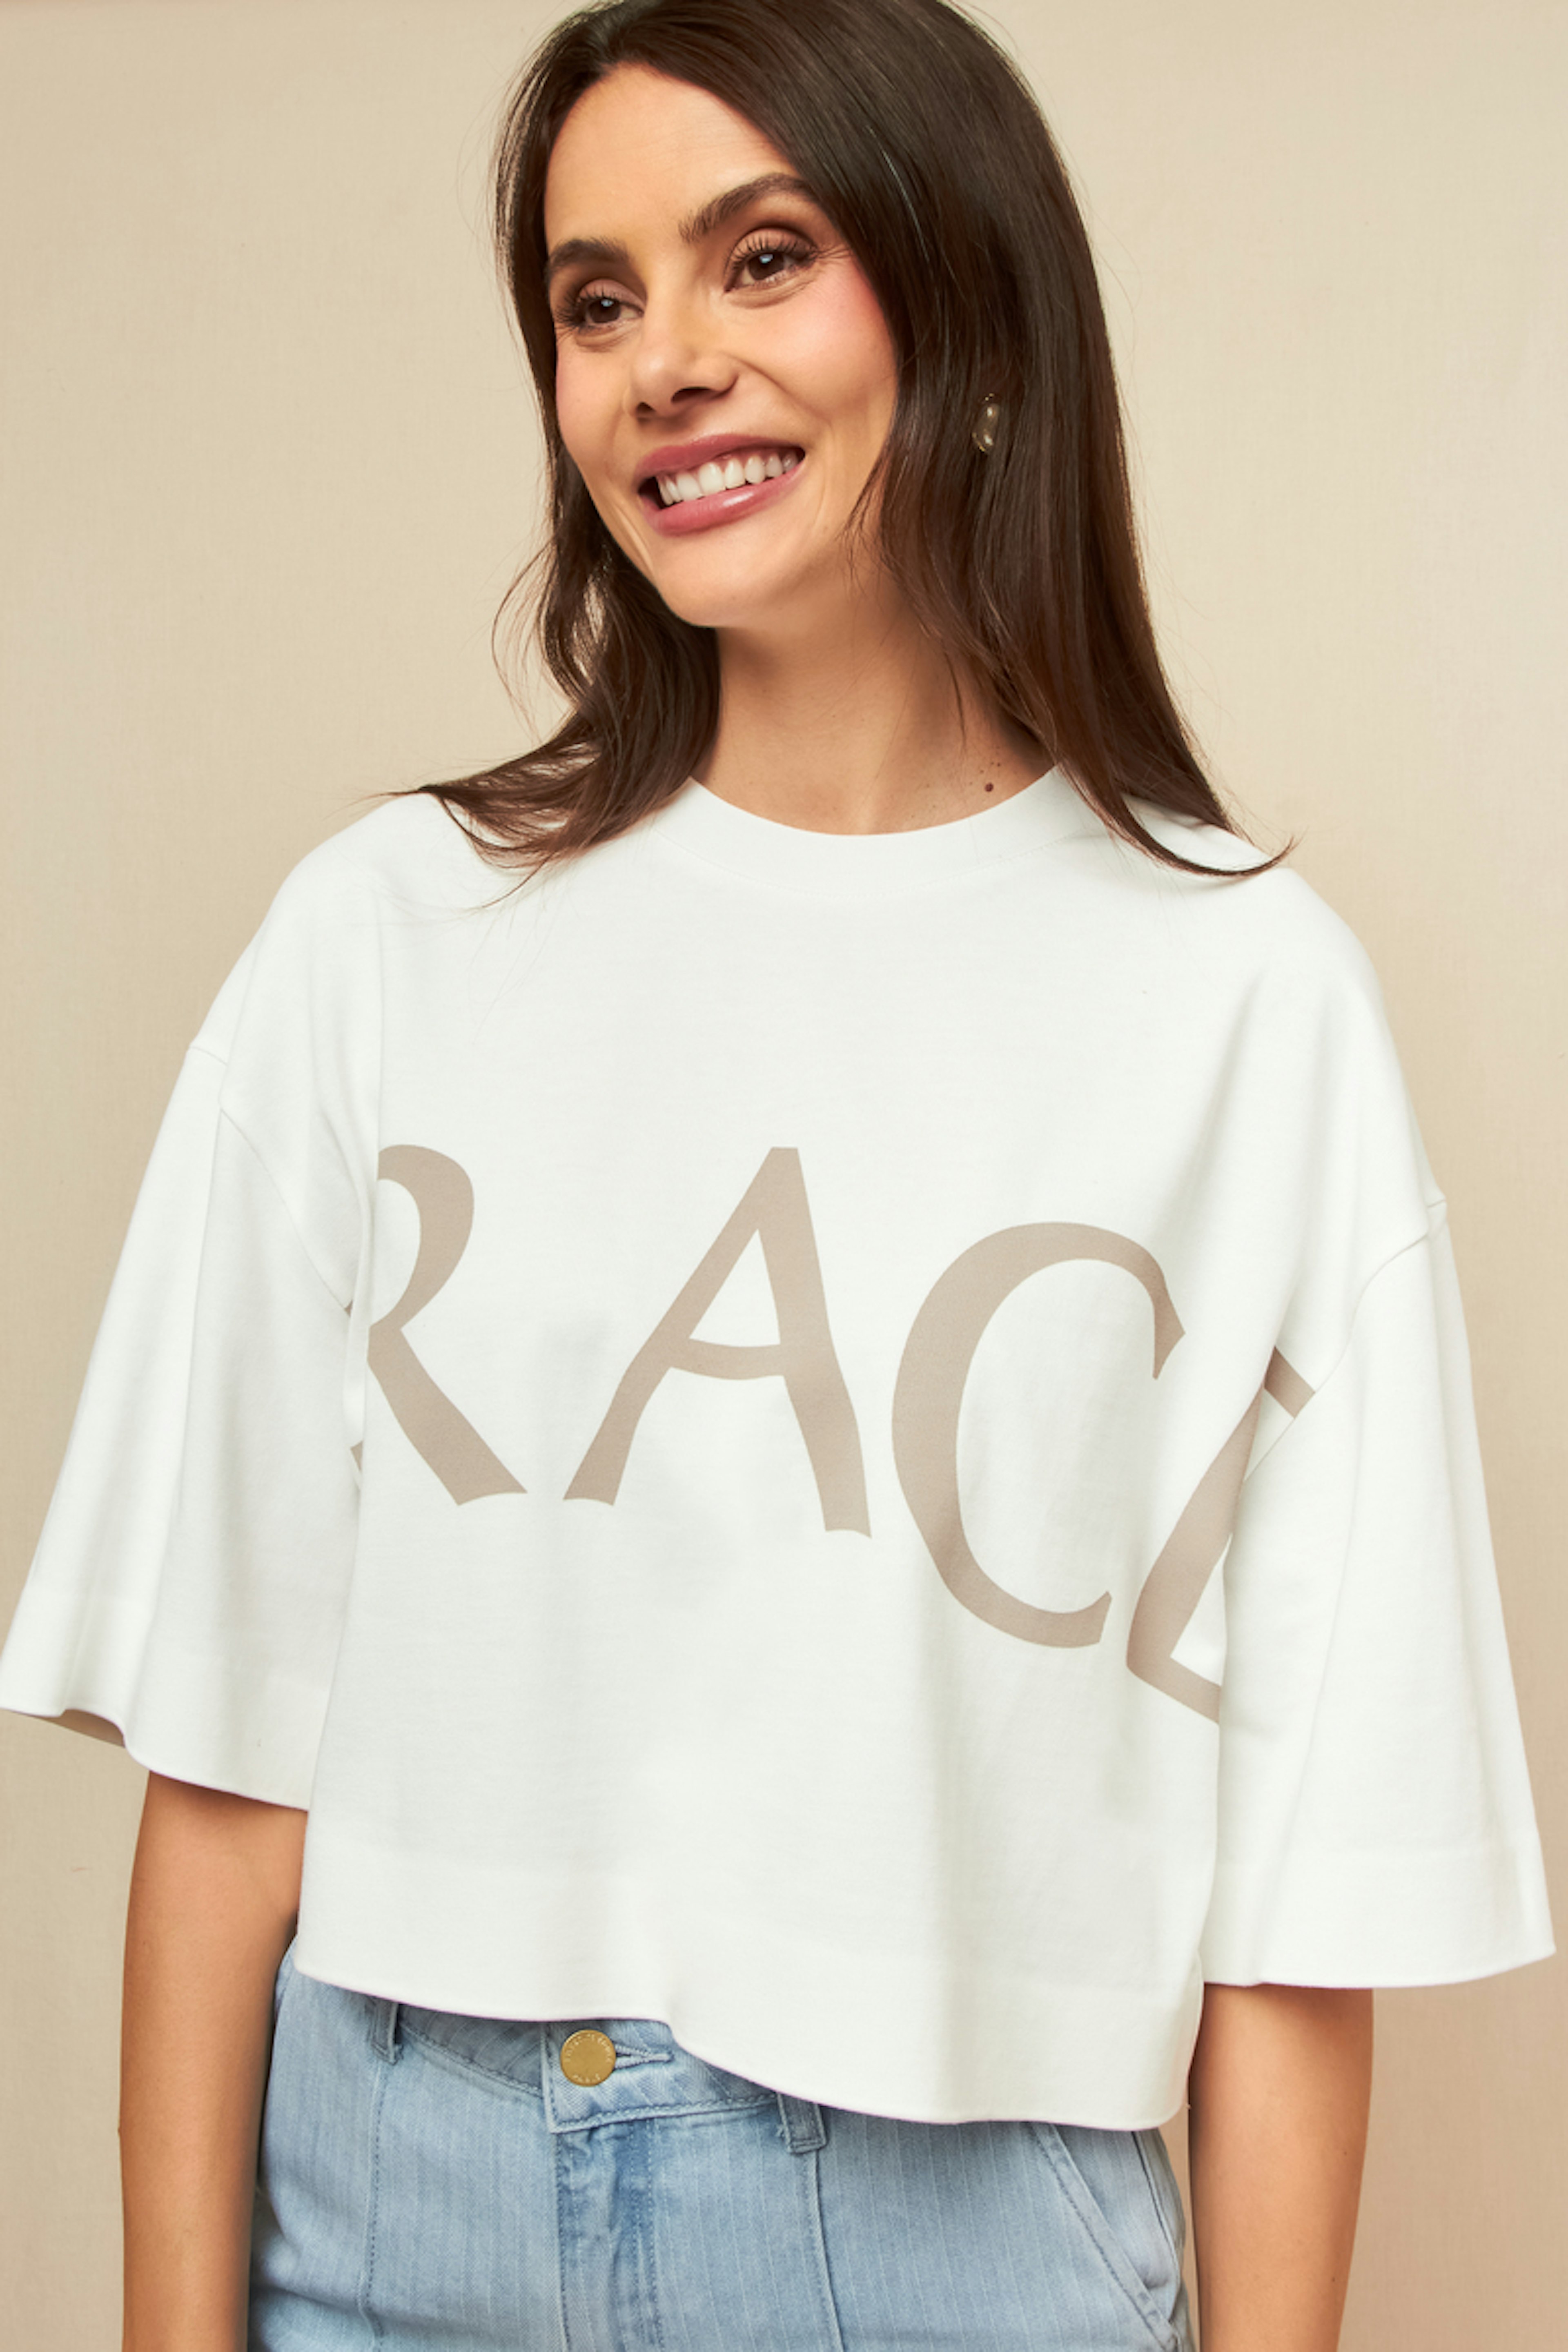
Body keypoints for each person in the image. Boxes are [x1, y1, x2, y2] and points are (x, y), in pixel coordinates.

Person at [0, 0, 1551, 2345]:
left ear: (968, 302)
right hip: (389, 2231)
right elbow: (229, 1769)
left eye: (763, 257)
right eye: (595, 299)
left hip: (962, 2264)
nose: (666, 363)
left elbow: (1301, 1914)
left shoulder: (1249, 1005)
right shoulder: (385, 940)